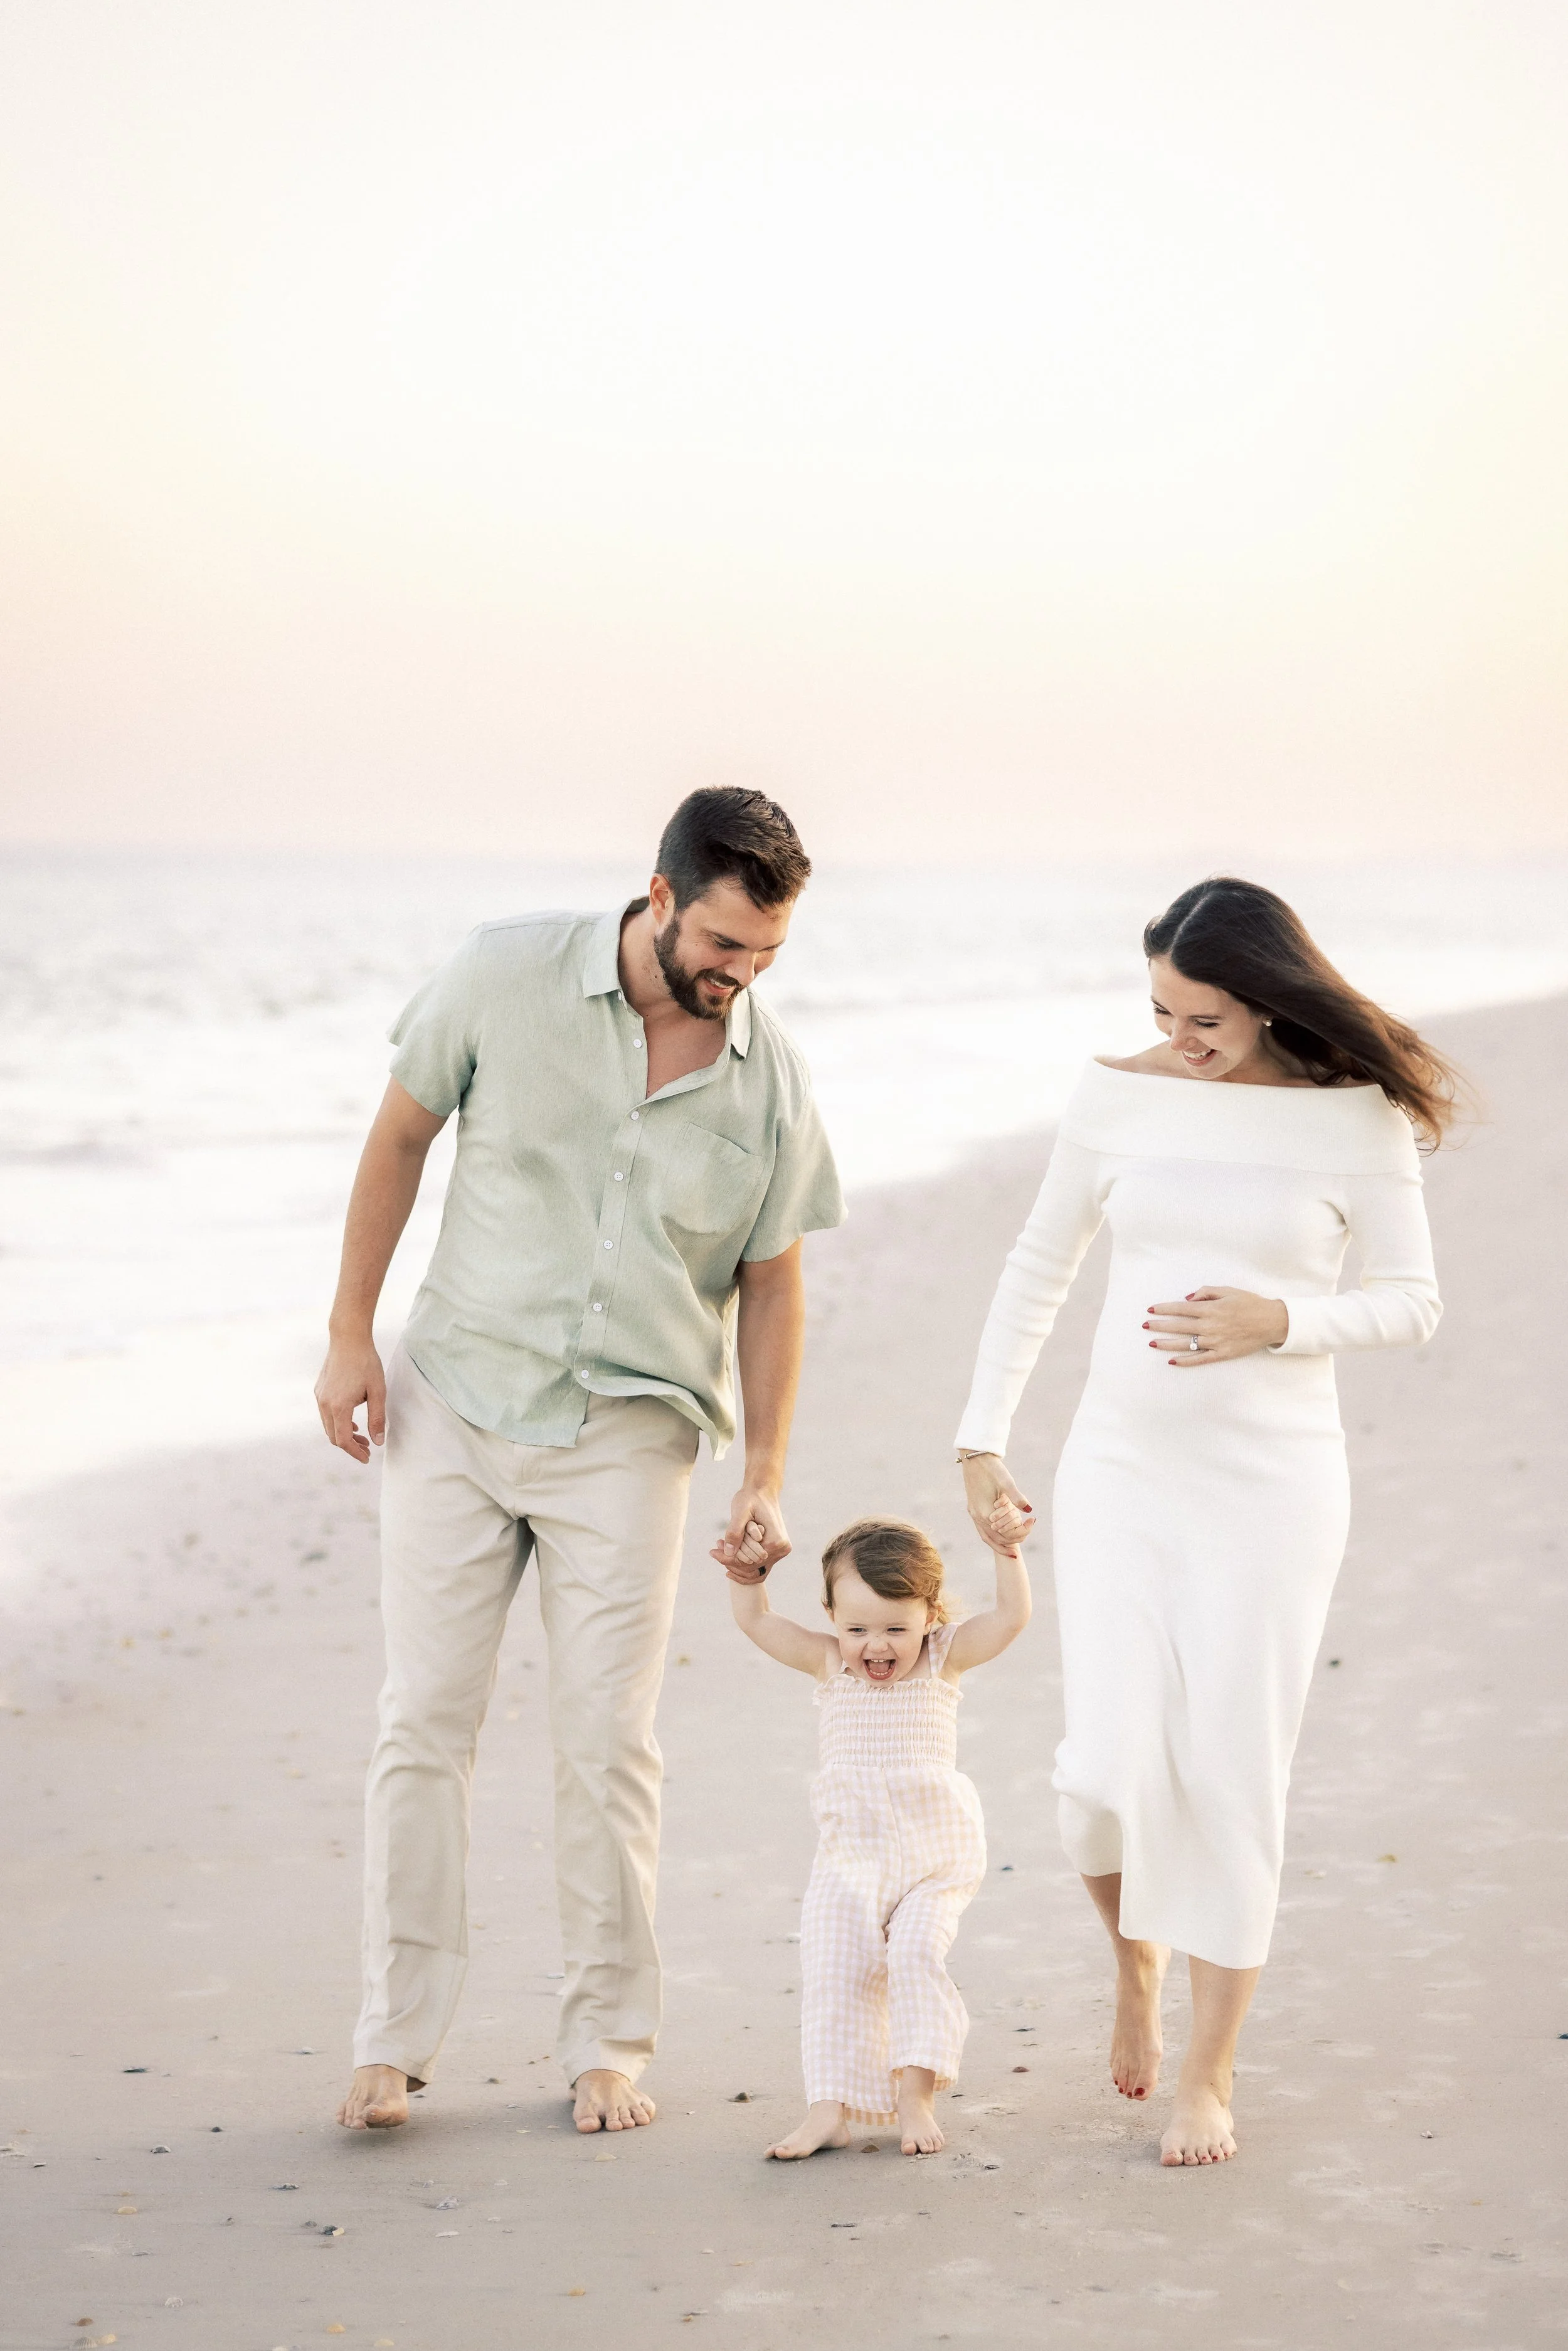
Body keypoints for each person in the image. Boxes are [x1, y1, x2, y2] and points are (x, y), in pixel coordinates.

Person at [315, 788, 845, 2135]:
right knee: (422, 1719)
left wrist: (764, 1471)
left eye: (768, 955)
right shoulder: (503, 972)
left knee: (607, 1742)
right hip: (456, 1396)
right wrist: (346, 1337)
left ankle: (607, 2040)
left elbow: (773, 1284)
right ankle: (391, 2038)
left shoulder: (766, 1073)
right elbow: (396, 1139)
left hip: (629, 1431)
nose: (741, 977)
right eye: (725, 945)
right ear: (659, 896)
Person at [955, 876, 1453, 2167]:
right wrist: (978, 1434)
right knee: (1095, 1776)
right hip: (1115, 1468)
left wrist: (1284, 1319)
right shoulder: (1117, 1092)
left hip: (1274, 1488)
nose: (1179, 1035)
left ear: (1268, 996)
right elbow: (1035, 1262)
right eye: (1162, 1010)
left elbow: (1408, 1301)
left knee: (1230, 1771)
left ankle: (1208, 2070)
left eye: (1205, 1016)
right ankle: (1135, 1967)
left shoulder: (1355, 1118)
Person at [727, 1509, 1032, 2159]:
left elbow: (1010, 1620)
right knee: (834, 1965)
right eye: (856, 1627)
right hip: (852, 1855)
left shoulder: (944, 1659)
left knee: (916, 1956)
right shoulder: (826, 1663)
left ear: (929, 1614)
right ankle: (827, 2110)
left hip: (933, 1853)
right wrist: (747, 1573)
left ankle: (914, 2094)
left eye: (896, 1627)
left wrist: (1007, 1553)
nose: (875, 1646)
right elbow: (755, 1620)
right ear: (831, 1618)